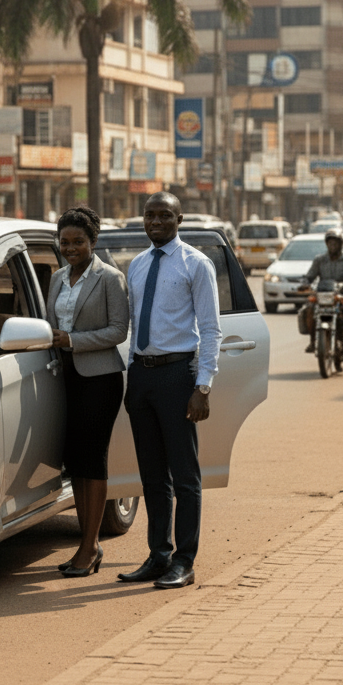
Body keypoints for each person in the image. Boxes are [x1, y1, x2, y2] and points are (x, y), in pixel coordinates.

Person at [120, 192, 222, 590]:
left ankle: (184, 559)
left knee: (184, 476)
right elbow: (134, 326)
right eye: (150, 215)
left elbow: (211, 329)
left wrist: (203, 386)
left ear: (180, 219)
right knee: (151, 476)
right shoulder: (138, 265)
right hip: (143, 377)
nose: (156, 222)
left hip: (178, 376)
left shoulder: (196, 264)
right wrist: (132, 371)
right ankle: (158, 555)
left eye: (165, 215)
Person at [46, 206, 129, 578]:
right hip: (65, 378)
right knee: (75, 461)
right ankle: (86, 543)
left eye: (78, 241)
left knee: (93, 460)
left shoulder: (110, 278)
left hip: (100, 379)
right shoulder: (56, 279)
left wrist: (72, 340)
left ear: (92, 241)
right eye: (64, 241)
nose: (70, 248)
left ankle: (89, 546)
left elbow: (118, 332)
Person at [298, 228, 343, 355]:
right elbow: (310, 276)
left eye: (335, 243)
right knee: (309, 309)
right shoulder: (319, 260)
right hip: (324, 294)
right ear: (326, 244)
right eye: (330, 243)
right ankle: (312, 341)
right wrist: (304, 284)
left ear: (341, 244)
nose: (332, 246)